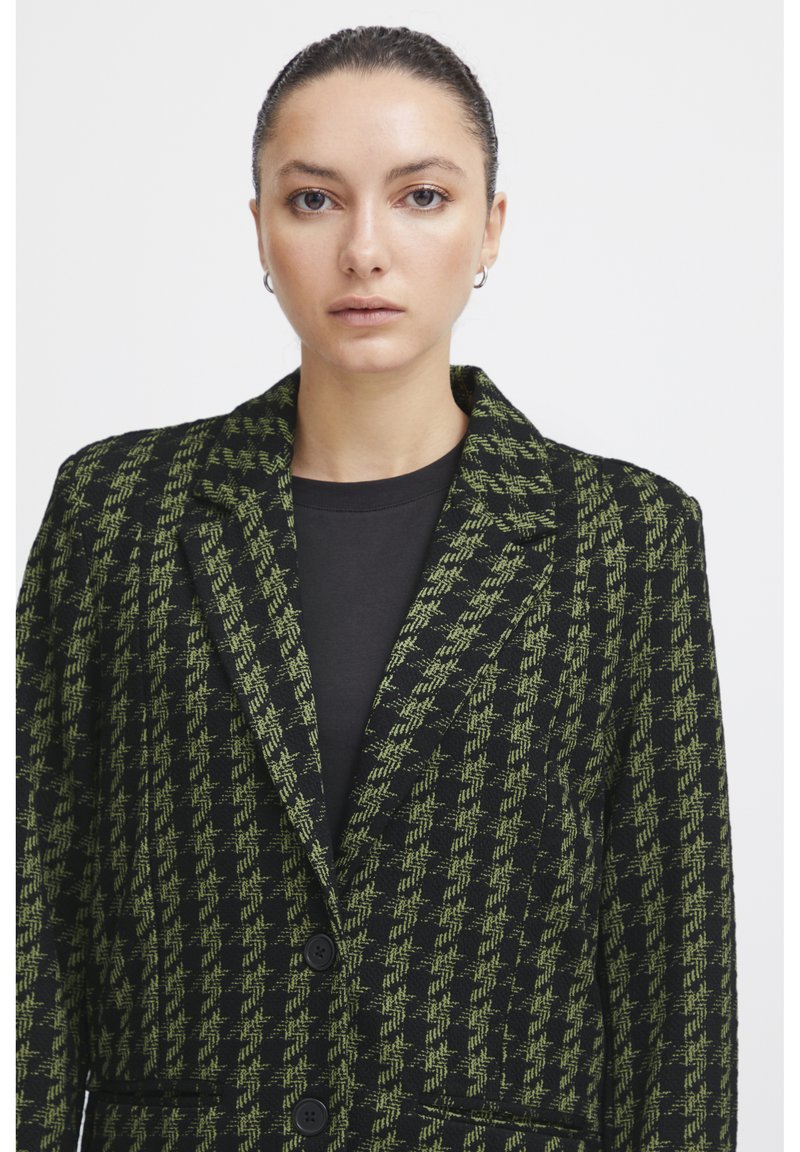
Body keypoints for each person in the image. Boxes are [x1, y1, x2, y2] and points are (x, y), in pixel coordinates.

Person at [16, 24, 738, 1152]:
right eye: (313, 200)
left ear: (489, 227)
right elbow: (38, 916)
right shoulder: (120, 512)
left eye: (420, 197)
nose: (364, 250)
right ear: (259, 227)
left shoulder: (623, 539)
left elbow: (673, 975)